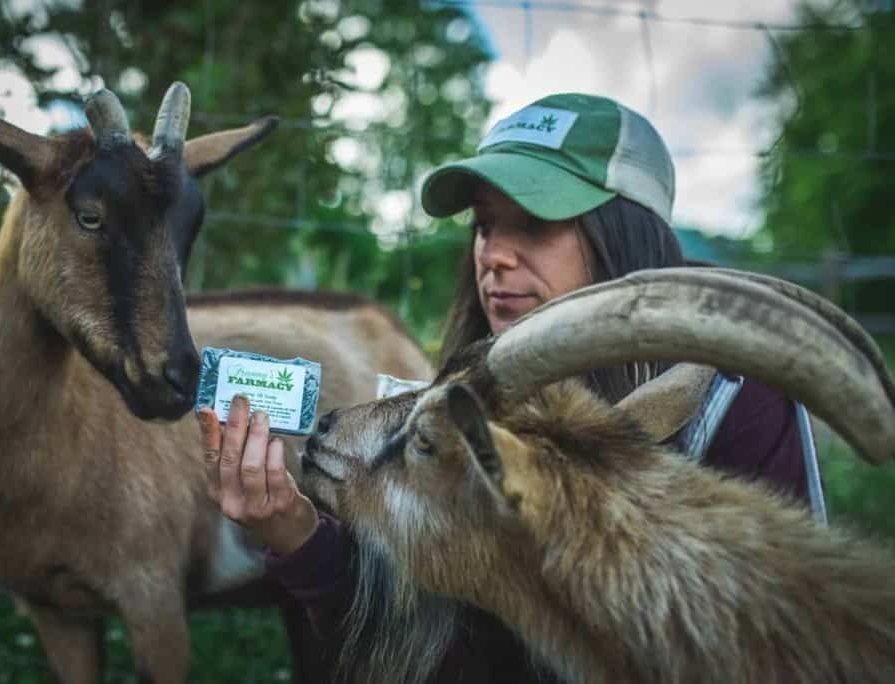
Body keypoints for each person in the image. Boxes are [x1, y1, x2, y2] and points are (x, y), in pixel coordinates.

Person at [196, 93, 822, 682]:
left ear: (623, 235)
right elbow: (462, 662)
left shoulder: (736, 403)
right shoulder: (464, 412)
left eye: (534, 224)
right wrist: (298, 537)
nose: (492, 254)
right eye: (485, 224)